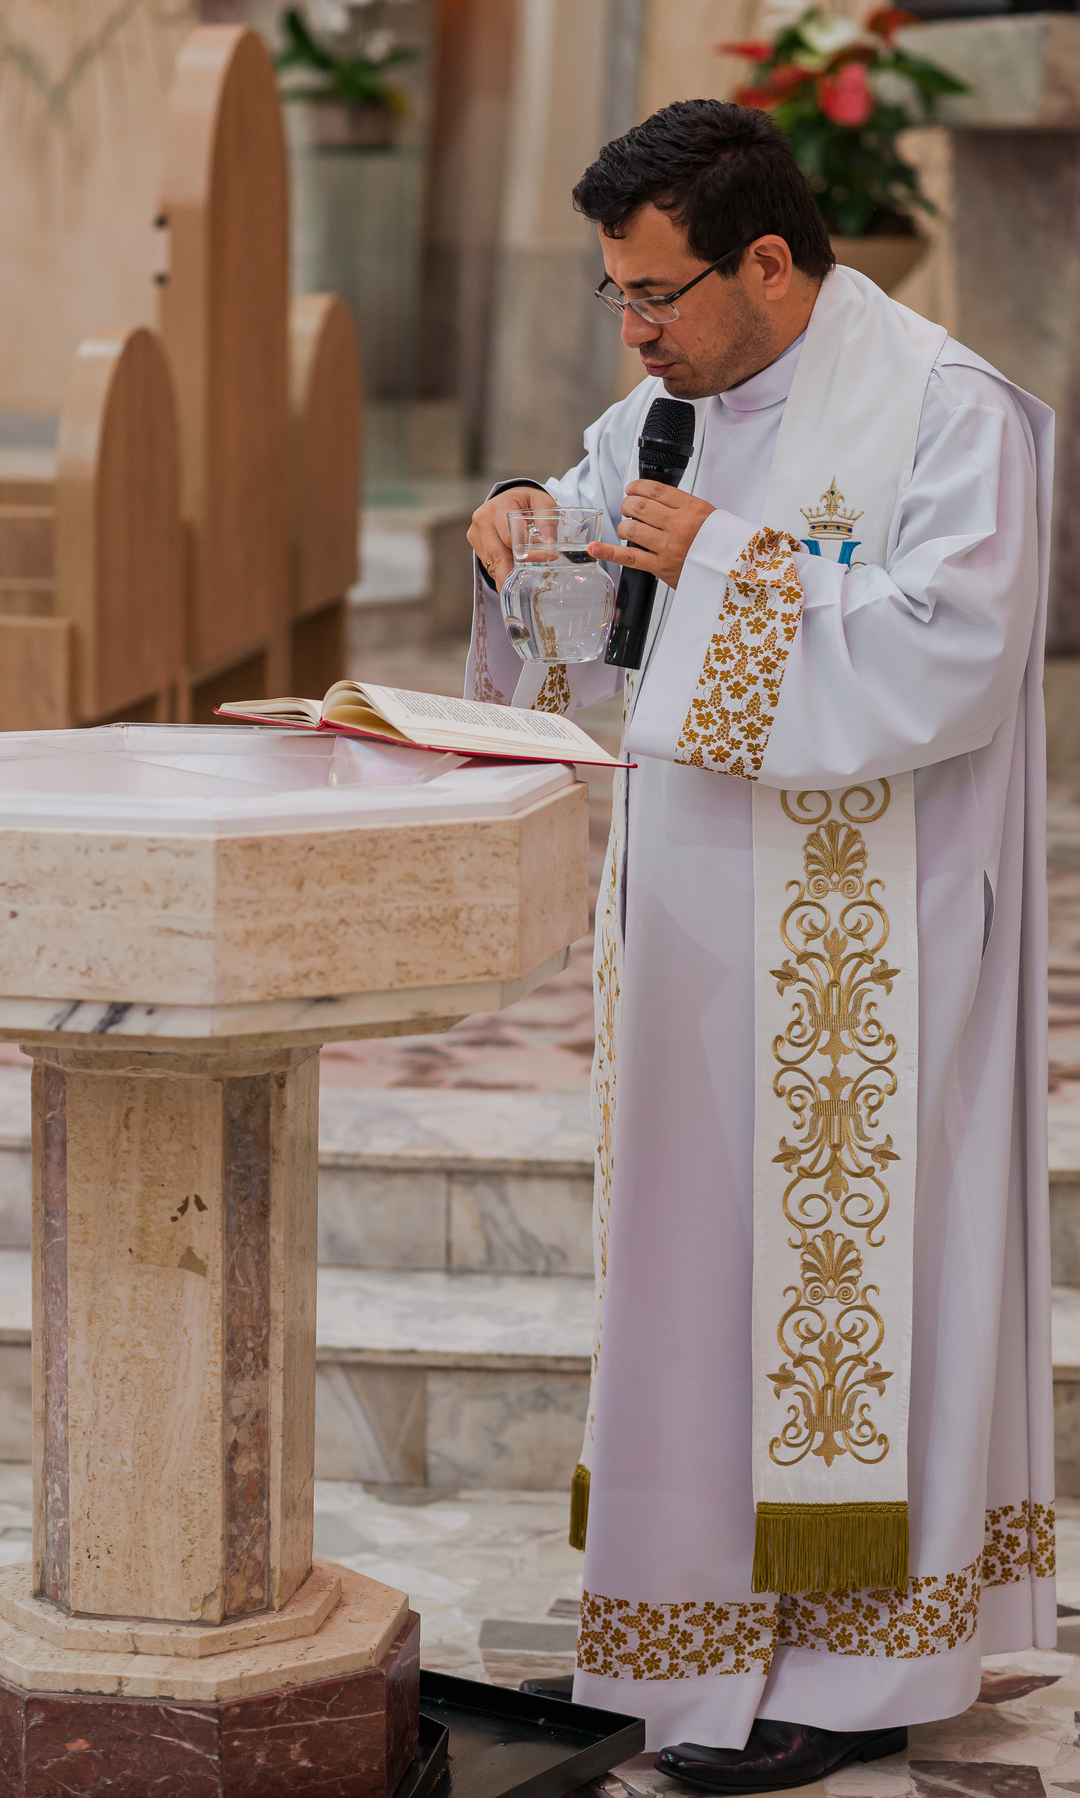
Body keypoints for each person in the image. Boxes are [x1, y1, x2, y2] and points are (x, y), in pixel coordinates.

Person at [465, 99, 1055, 1792]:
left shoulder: (947, 413)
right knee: (690, 1278)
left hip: (868, 954)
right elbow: (586, 572)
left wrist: (726, 561)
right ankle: (691, 1638)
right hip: (689, 938)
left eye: (656, 294)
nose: (636, 332)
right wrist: (525, 524)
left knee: (843, 1294)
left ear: (772, 262)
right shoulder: (676, 398)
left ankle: (862, 1672)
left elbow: (954, 652)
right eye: (616, 299)